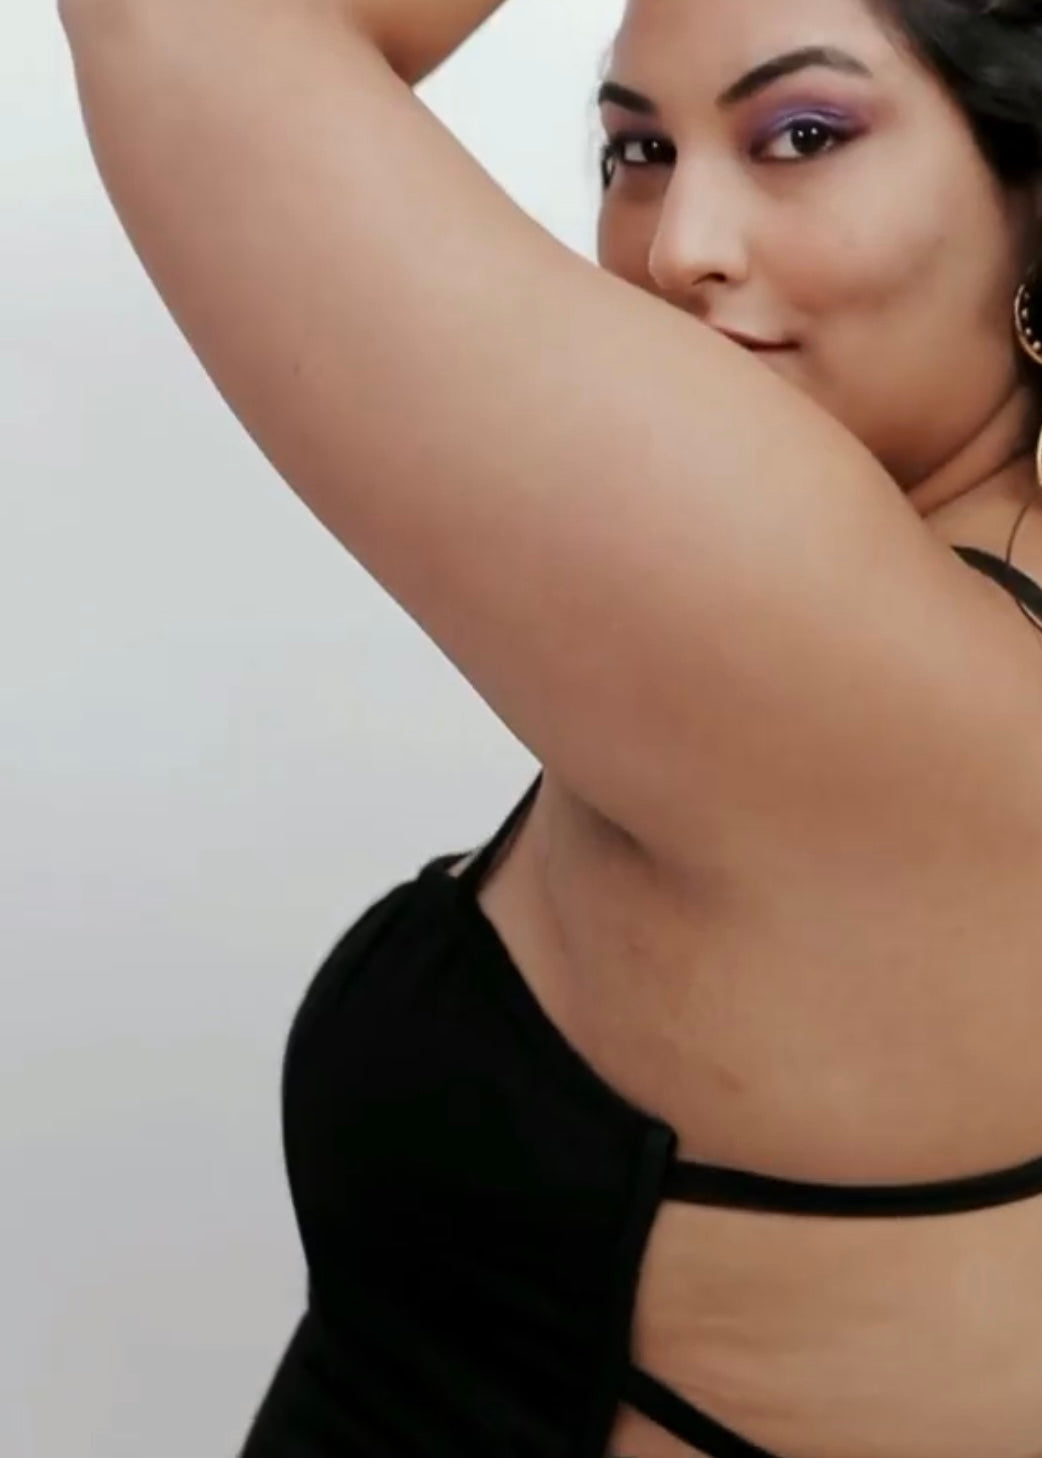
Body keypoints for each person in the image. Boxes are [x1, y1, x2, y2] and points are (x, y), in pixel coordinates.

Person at [59, 0, 1042, 1452]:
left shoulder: (859, 678)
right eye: (636, 151)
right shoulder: (945, 649)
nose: (677, 247)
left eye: (801, 135)